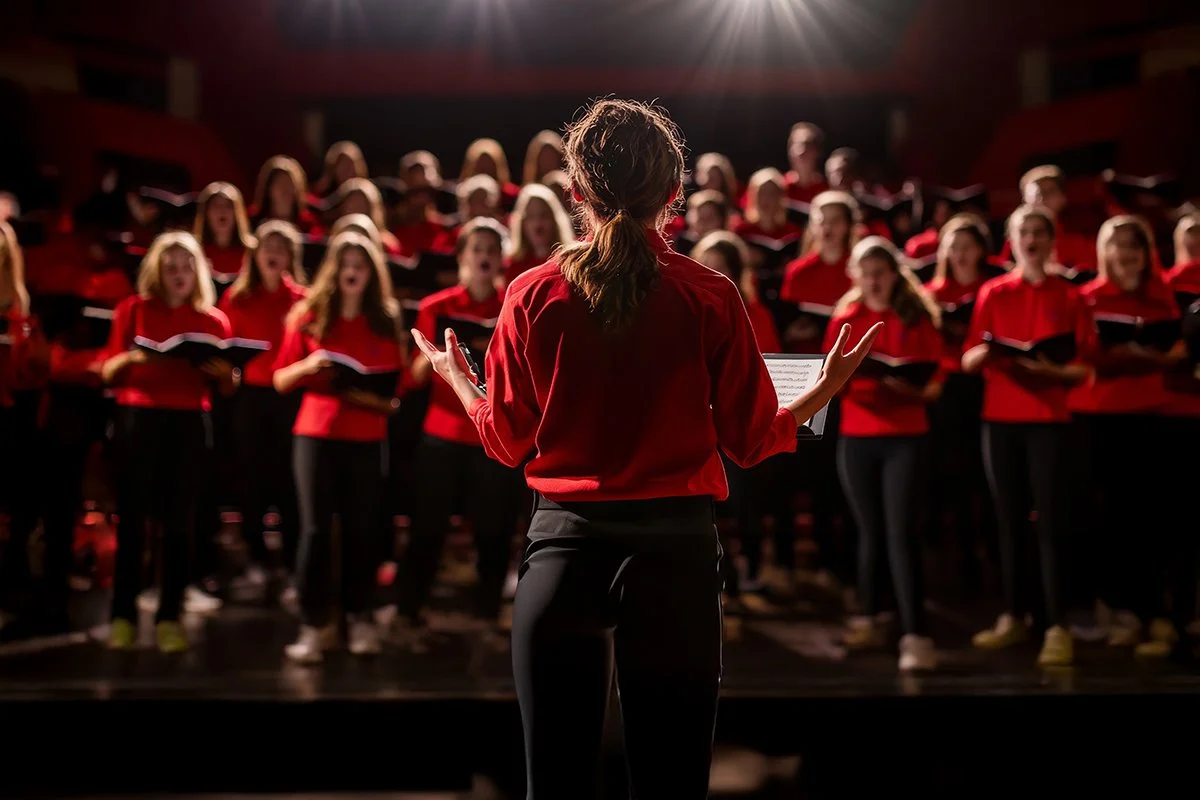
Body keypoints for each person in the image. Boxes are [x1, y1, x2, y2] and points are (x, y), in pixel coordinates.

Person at [411, 98, 880, 799]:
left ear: (575, 192)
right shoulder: (712, 295)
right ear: (672, 194)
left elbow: (507, 444)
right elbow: (751, 444)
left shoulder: (531, 295)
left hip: (563, 552)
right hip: (676, 556)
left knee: (556, 788)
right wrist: (821, 392)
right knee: (672, 788)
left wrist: (460, 384)